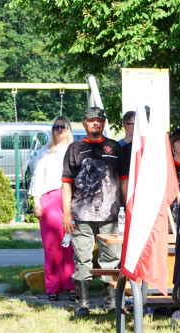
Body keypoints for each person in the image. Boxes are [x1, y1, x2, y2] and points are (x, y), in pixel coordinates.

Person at [61, 107, 129, 316]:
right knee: (83, 258)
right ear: (84, 123)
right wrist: (66, 213)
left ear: (104, 123)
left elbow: (124, 180)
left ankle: (111, 303)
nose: (95, 123)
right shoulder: (75, 148)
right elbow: (66, 183)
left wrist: (127, 207)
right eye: (91, 120)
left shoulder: (114, 147)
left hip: (109, 215)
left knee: (111, 259)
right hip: (81, 215)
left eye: (99, 120)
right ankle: (83, 302)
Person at [29, 115, 75, 302]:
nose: (59, 129)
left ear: (68, 129)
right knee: (52, 246)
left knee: (69, 244)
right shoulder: (44, 152)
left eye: (63, 126)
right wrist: (37, 202)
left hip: (70, 200)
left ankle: (72, 285)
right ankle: (53, 286)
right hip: (49, 199)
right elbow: (37, 178)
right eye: (56, 126)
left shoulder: (74, 151)